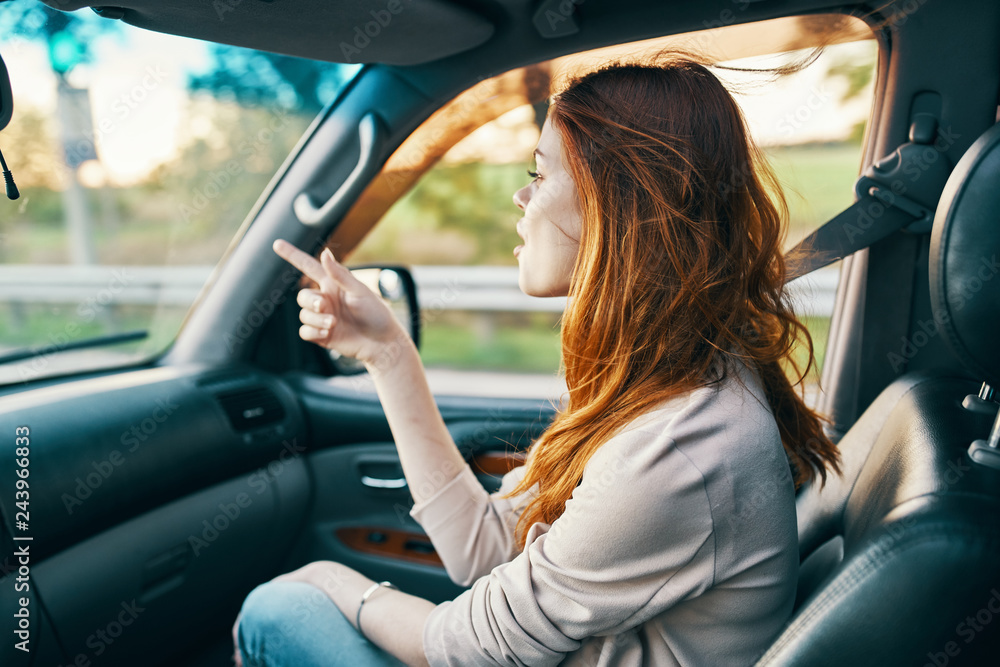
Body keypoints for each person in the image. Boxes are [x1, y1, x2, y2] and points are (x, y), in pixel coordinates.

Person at [233, 55, 842, 667]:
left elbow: (465, 649)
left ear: (620, 205)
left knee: (278, 609)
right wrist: (387, 351)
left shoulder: (680, 447)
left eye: (541, 173)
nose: (521, 197)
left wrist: (330, 582)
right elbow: (484, 549)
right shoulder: (662, 380)